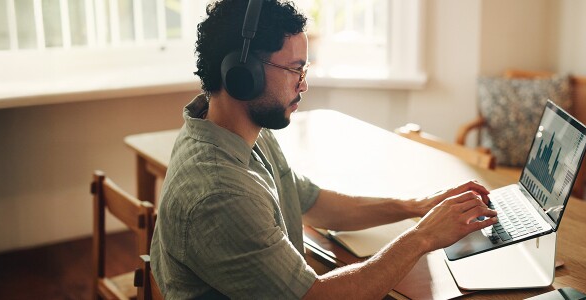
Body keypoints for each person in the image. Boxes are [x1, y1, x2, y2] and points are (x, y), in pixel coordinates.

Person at [149, 0, 498, 298]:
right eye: (294, 69)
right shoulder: (220, 193)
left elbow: (312, 203)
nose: (304, 84)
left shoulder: (238, 129)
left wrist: (415, 207)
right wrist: (423, 237)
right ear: (243, 74)